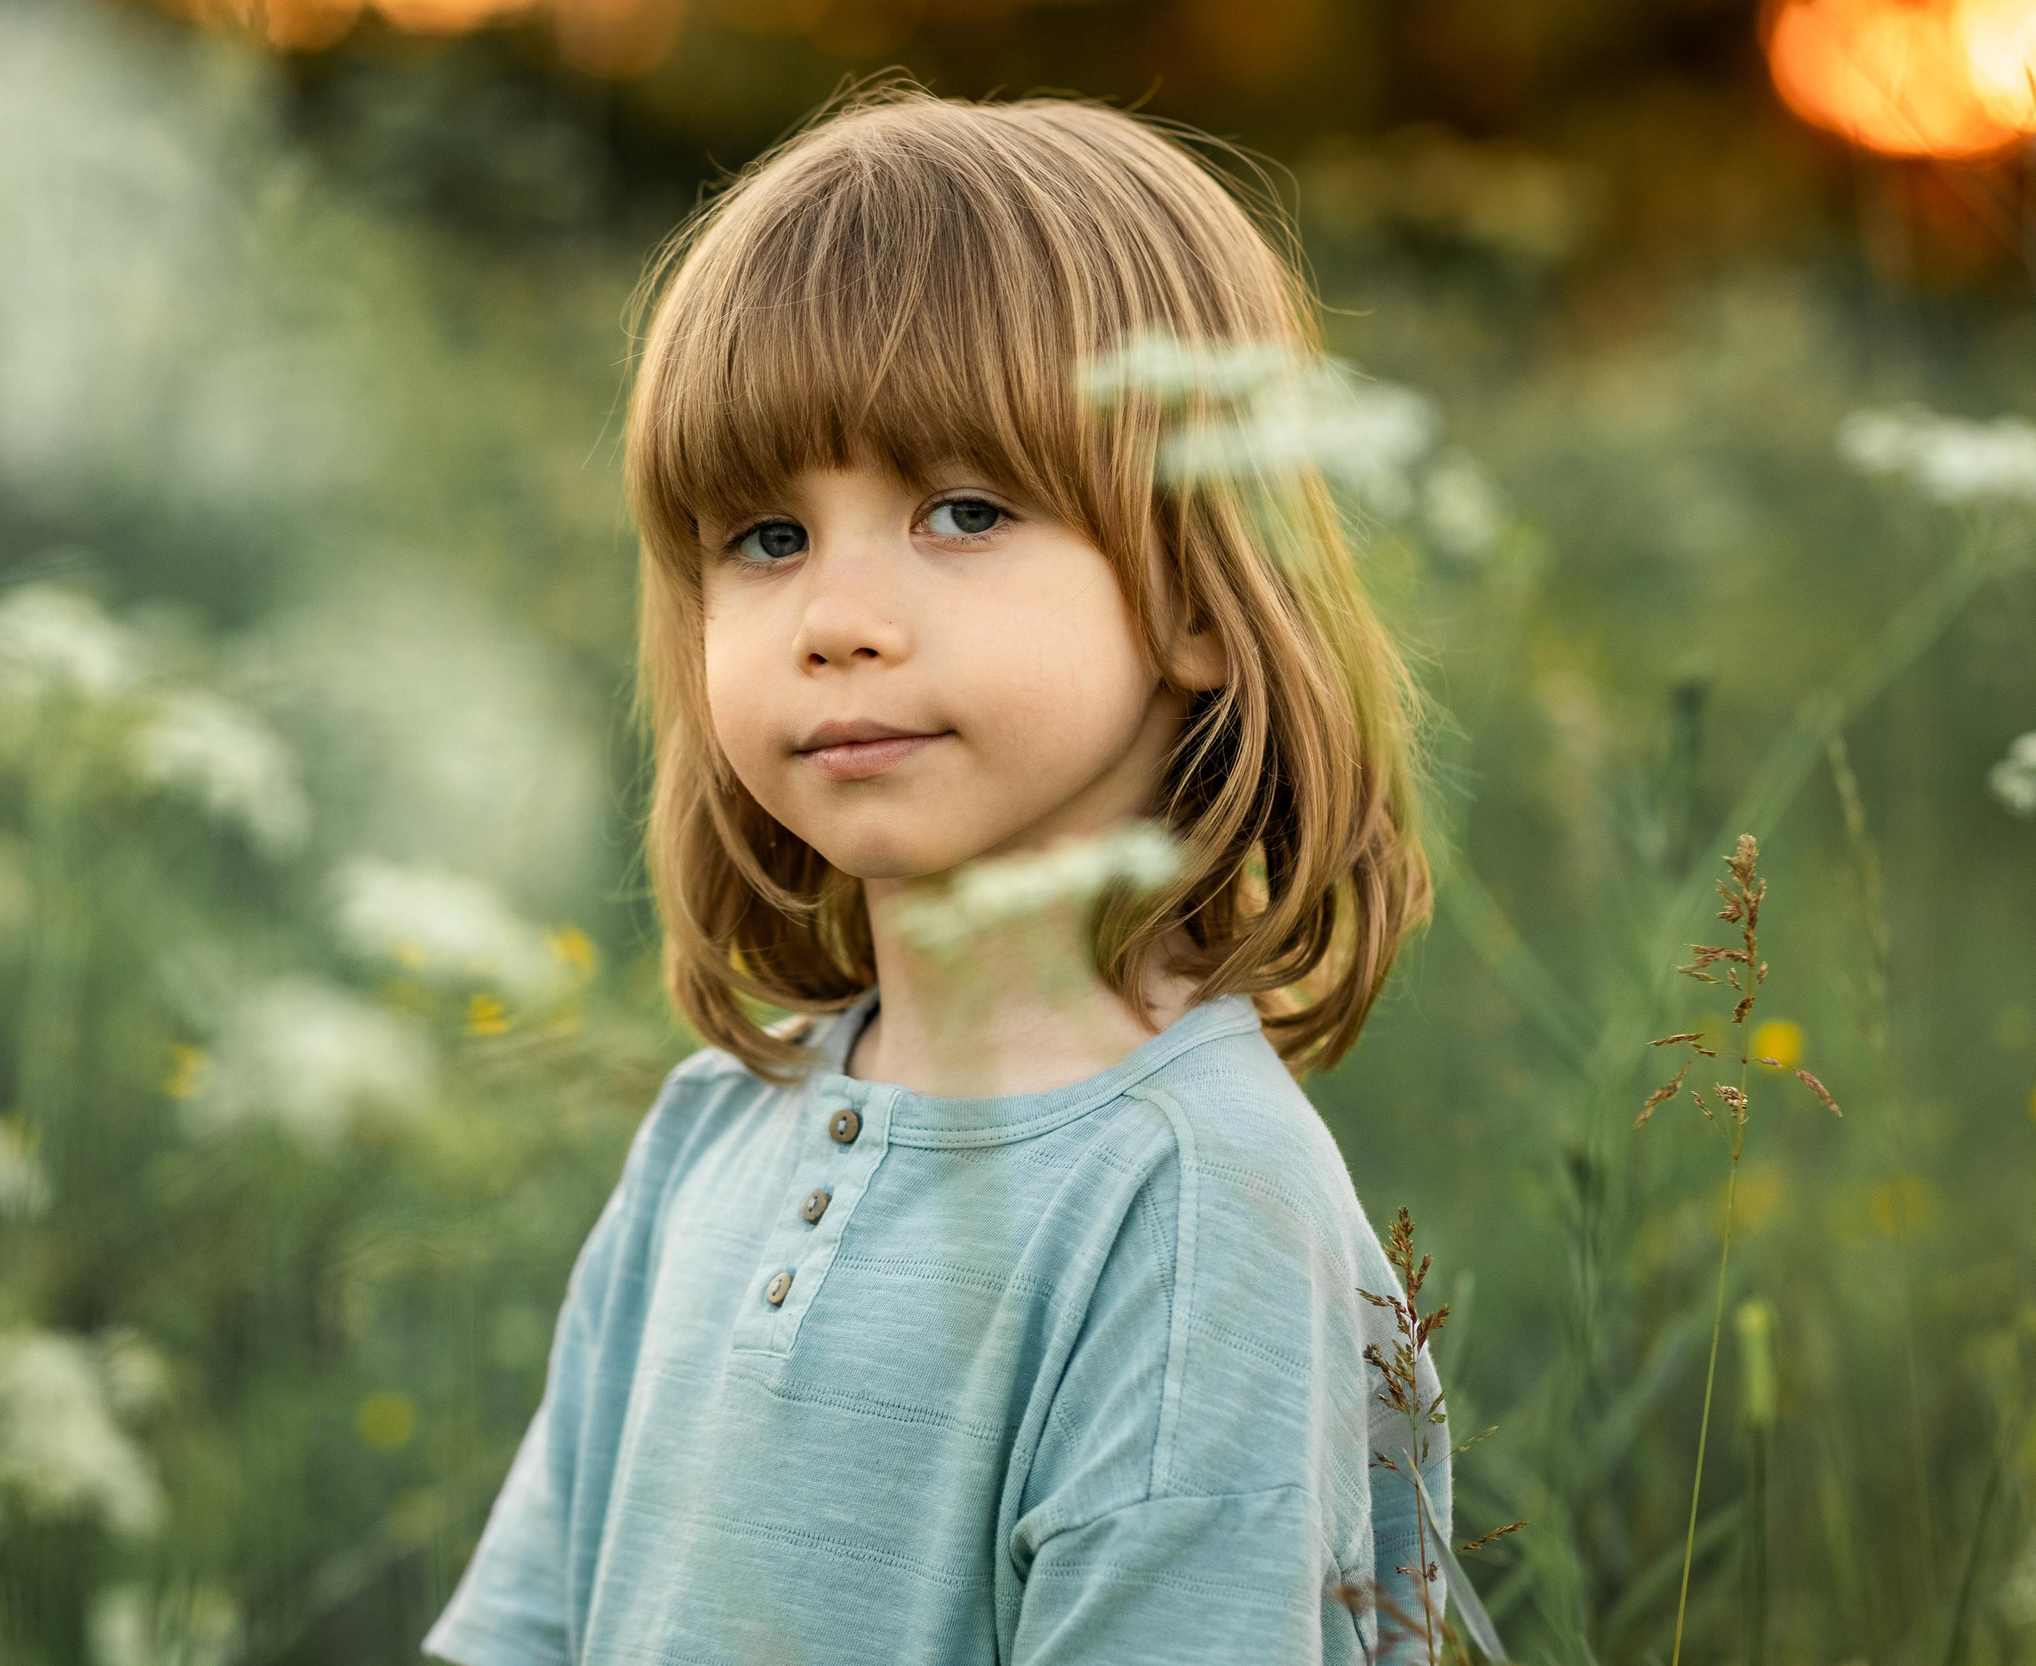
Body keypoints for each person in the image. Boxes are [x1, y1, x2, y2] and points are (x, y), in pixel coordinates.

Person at [421, 81, 1453, 1666]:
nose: (837, 614)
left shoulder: (1192, 1206)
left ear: (1202, 597)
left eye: (963, 511)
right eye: (766, 537)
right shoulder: (716, 1121)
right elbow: (526, 1629)